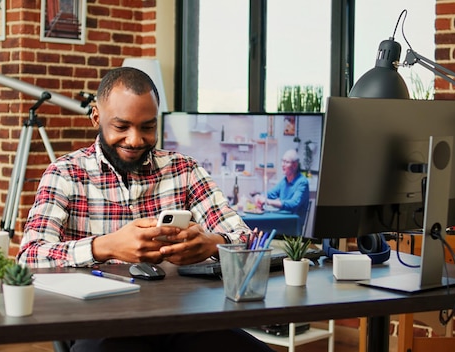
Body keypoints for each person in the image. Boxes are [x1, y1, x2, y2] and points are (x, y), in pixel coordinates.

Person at [17, 66, 274, 352]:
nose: (136, 140)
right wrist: (106, 247)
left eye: (147, 127)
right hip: (101, 324)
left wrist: (211, 244)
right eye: (122, 126)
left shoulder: (184, 170)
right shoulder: (64, 174)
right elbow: (28, 258)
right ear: (96, 117)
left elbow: (247, 239)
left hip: (185, 318)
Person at [257, 149, 310, 232]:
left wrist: (267, 201)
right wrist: (260, 196)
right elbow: (270, 193)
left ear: (295, 165)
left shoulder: (302, 182)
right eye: (282, 161)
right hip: (281, 221)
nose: (282, 165)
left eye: (286, 162)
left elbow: (293, 204)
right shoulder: (284, 180)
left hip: (292, 226)